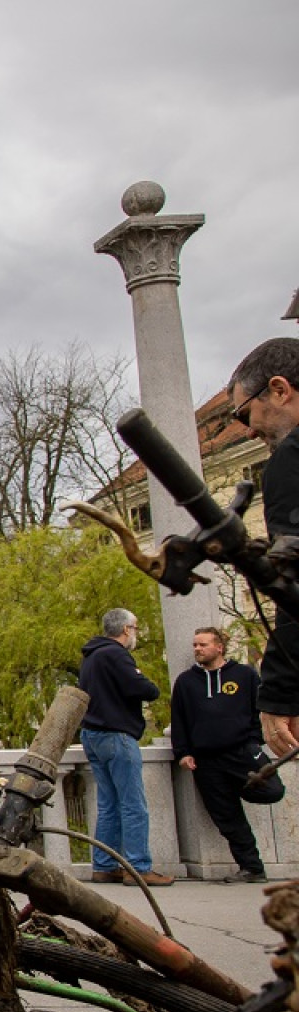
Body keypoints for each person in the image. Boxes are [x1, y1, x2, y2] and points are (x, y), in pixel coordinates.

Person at [228, 338, 299, 759]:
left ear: (278, 389)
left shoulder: (291, 458)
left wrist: (279, 695)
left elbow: (292, 581)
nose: (250, 430)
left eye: (244, 414)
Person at [78, 608, 171, 886]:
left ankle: (104, 866)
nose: (136, 634)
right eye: (136, 628)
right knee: (133, 805)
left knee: (108, 804)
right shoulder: (116, 654)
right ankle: (138, 868)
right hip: (117, 735)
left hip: (92, 734)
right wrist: (142, 678)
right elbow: (146, 689)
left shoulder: (91, 657)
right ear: (126, 629)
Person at [170, 627, 267, 884]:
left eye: (202, 645)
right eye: (195, 645)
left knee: (271, 791)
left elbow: (260, 710)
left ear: (219, 647)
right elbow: (178, 721)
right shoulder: (186, 682)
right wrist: (183, 753)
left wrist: (255, 743)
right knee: (227, 816)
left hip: (242, 755)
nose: (197, 650)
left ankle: (240, 789)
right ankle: (252, 868)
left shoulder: (244, 675)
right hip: (206, 761)